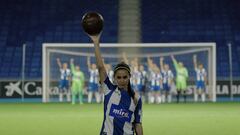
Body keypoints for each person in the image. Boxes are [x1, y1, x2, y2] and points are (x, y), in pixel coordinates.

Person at [89, 35, 143, 135]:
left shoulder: (136, 98)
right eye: (118, 77)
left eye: (124, 77)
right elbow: (101, 67)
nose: (122, 80)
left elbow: (138, 123)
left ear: (129, 76)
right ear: (114, 78)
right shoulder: (108, 89)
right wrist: (96, 42)